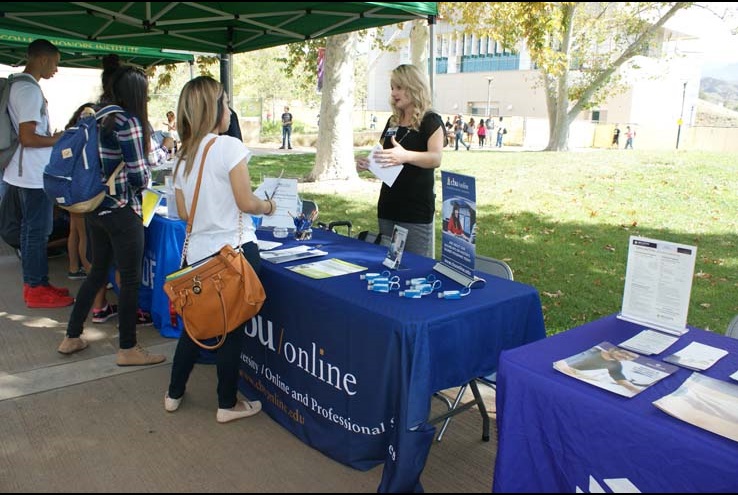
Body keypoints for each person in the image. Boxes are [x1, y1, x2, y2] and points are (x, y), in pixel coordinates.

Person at [165, 75, 276, 423]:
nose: (229, 110)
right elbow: (245, 201)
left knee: (195, 326)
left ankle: (173, 393)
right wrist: (268, 206)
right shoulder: (228, 147)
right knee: (232, 331)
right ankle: (227, 403)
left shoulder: (182, 155)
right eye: (225, 103)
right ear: (215, 109)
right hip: (234, 255)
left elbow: (184, 213)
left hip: (197, 256)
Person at [57, 65, 165, 366]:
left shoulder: (92, 115)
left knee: (97, 272)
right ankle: (128, 348)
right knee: (130, 280)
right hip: (122, 210)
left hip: (94, 208)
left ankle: (72, 336)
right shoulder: (127, 121)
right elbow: (139, 177)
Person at [3, 39, 73, 308]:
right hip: (31, 174)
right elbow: (28, 137)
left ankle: (37, 283)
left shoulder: (16, 84)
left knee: (30, 231)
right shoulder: (29, 91)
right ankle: (36, 288)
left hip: (20, 172)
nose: (56, 68)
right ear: (42, 59)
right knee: (37, 232)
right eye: (55, 62)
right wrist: (58, 139)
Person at [355, 64, 444, 258]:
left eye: (399, 87)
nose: (394, 93)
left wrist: (407, 156)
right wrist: (368, 164)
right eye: (392, 87)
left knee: (416, 267)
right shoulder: (392, 121)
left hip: (416, 212)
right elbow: (383, 156)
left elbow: (436, 158)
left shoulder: (431, 120)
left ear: (414, 87)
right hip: (388, 207)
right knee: (390, 264)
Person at [64, 103, 97, 280]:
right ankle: (89, 269)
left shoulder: (70, 133)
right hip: (81, 191)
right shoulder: (85, 137)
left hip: (69, 189)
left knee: (74, 231)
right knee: (85, 235)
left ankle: (73, 267)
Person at [556, 345, 642, 395]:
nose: (626, 357)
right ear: (612, 349)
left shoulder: (616, 365)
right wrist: (575, 375)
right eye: (624, 353)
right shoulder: (594, 351)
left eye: (631, 357)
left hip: (574, 374)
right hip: (564, 371)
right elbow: (561, 363)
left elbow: (621, 380)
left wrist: (638, 391)